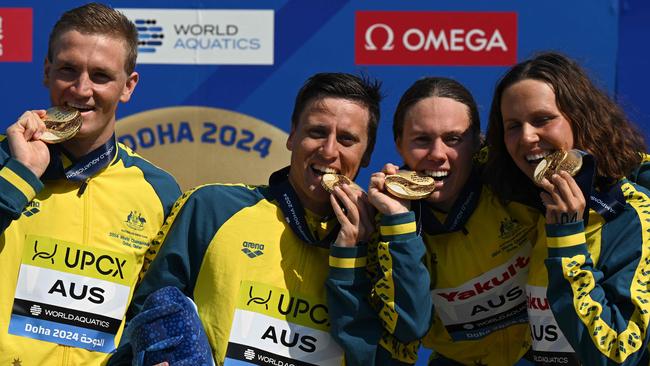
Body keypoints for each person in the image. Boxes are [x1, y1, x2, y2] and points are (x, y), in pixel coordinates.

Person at [109, 73, 384, 365]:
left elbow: (381, 351)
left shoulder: (377, 246)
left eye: (346, 139)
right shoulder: (212, 208)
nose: (329, 151)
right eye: (317, 132)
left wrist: (352, 256)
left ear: (366, 155)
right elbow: (143, 318)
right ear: (292, 136)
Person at [0, 3, 181, 365]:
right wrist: (19, 176)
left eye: (100, 76)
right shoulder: (7, 163)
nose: (82, 89)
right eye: (68, 70)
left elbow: (151, 311)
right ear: (47, 71)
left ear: (128, 87)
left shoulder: (159, 192)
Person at [327, 77, 540, 365]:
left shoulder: (511, 179)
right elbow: (408, 327)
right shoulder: (384, 221)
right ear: (399, 145)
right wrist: (400, 224)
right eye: (422, 140)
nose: (438, 154)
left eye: (453, 139)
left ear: (477, 142)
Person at [485, 51, 650, 365]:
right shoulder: (519, 199)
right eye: (513, 126)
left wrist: (568, 239)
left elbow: (616, 353)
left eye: (543, 119)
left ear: (580, 118)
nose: (527, 137)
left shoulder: (634, 214)